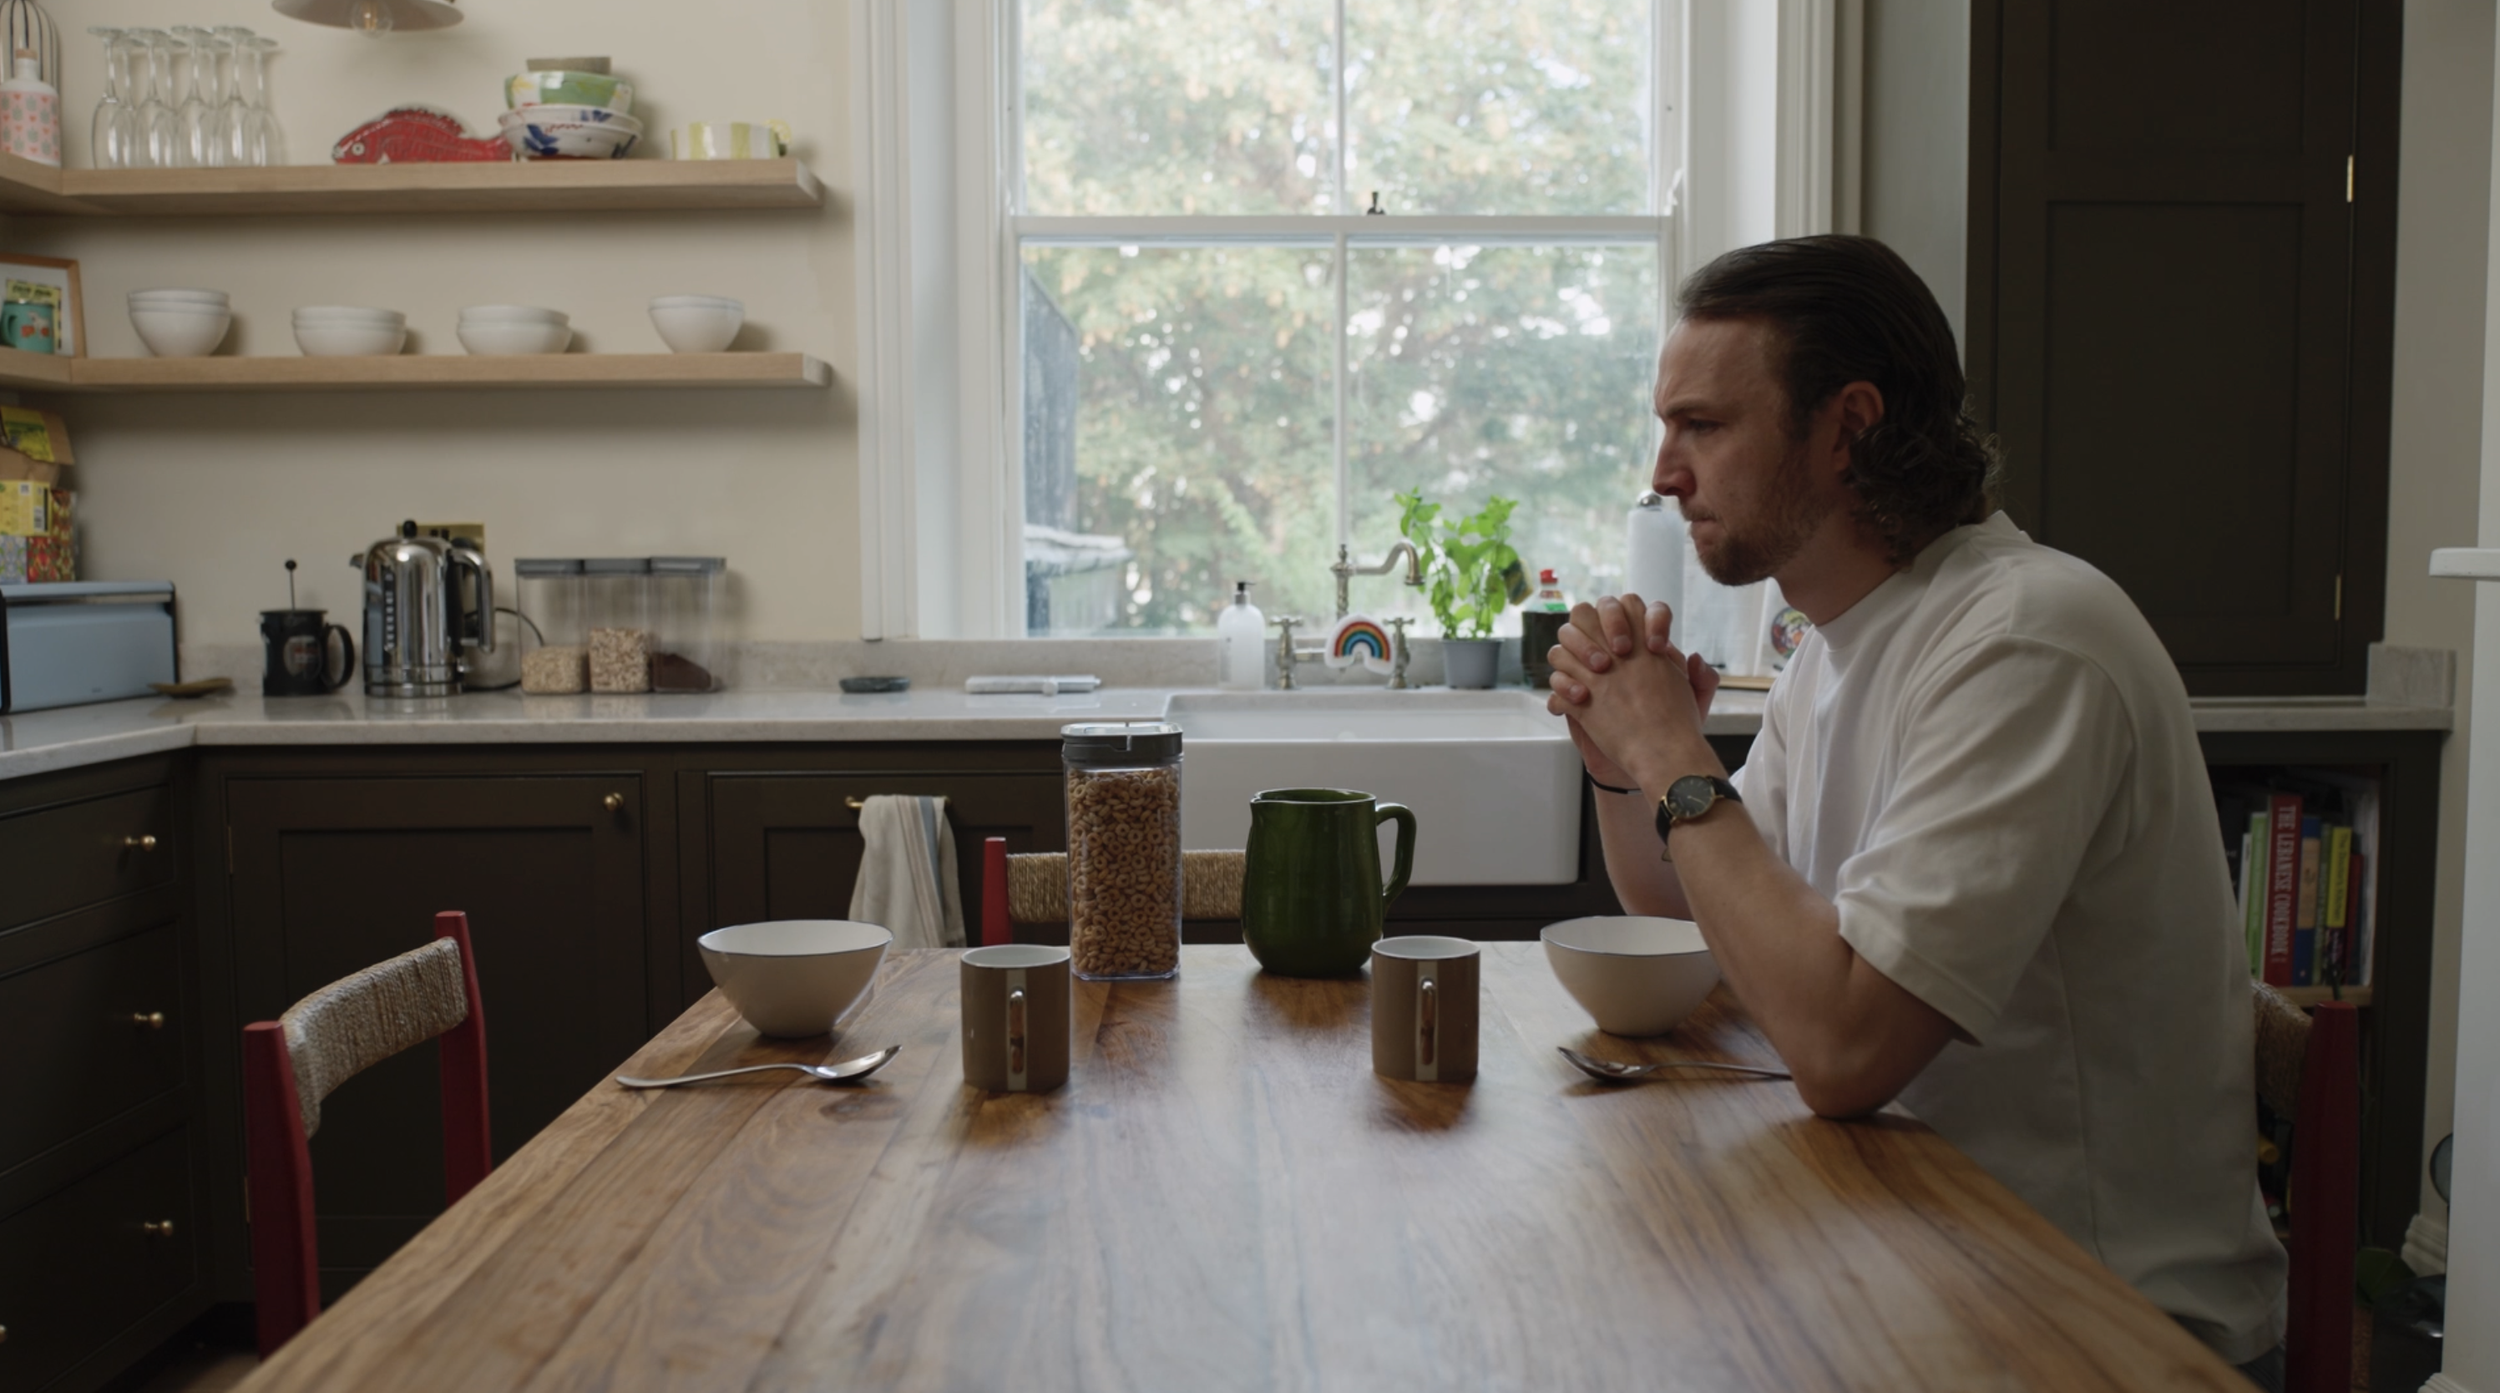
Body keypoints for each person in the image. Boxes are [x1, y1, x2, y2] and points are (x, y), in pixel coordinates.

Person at [1544, 234, 2287, 1381]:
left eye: (1703, 425)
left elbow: (1842, 1050)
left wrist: (1677, 754)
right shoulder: (1835, 647)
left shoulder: (2026, 641)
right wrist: (1621, 757)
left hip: (2096, 1314)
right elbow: (1698, 920)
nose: (1663, 472)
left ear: (1846, 425)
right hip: (1910, 1244)